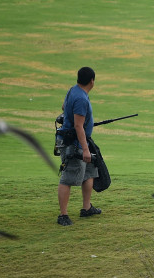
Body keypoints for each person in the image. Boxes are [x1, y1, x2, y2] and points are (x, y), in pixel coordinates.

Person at [57, 66, 102, 226]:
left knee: (89, 173)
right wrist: (85, 149)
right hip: (73, 143)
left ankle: (86, 208)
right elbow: (78, 126)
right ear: (92, 81)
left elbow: (64, 107)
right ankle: (63, 215)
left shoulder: (73, 90)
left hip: (79, 140)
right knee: (68, 177)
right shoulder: (81, 99)